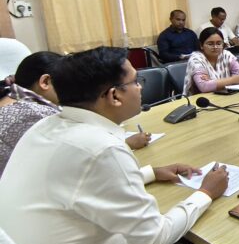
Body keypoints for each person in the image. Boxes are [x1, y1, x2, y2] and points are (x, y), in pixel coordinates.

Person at [0, 47, 232, 244]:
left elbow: (78, 187)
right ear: (114, 96)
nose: (140, 88)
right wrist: (206, 193)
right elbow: (152, 241)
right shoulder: (101, 147)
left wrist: (151, 173)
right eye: (136, 81)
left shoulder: (47, 126)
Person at [0, 52, 150, 176]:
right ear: (45, 82)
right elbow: (73, 164)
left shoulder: (13, 100)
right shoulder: (35, 114)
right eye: (65, 84)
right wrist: (125, 144)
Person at [183, 28, 239, 95]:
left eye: (219, 43)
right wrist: (233, 79)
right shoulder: (196, 59)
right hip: (200, 99)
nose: (215, 47)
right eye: (210, 44)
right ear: (201, 45)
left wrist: (212, 82)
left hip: (224, 94)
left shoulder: (226, 55)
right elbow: (204, 86)